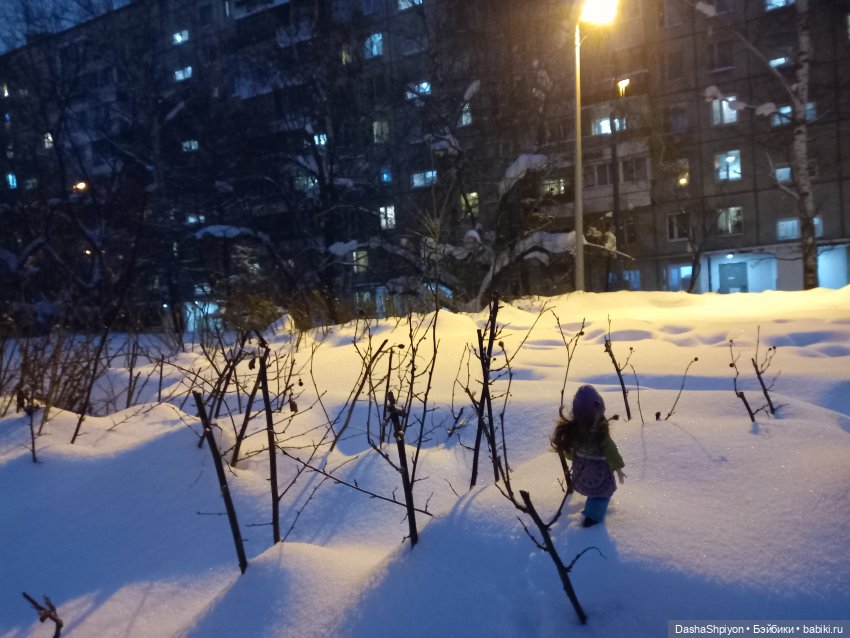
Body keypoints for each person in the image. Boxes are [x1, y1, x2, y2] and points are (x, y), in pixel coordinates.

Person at [552, 385, 626, 528]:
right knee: (602, 494)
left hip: (581, 475)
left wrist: (575, 456)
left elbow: (570, 454)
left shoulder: (573, 431)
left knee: (595, 493)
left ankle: (591, 510)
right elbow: (610, 450)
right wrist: (618, 468)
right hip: (599, 474)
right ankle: (592, 519)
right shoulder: (600, 432)